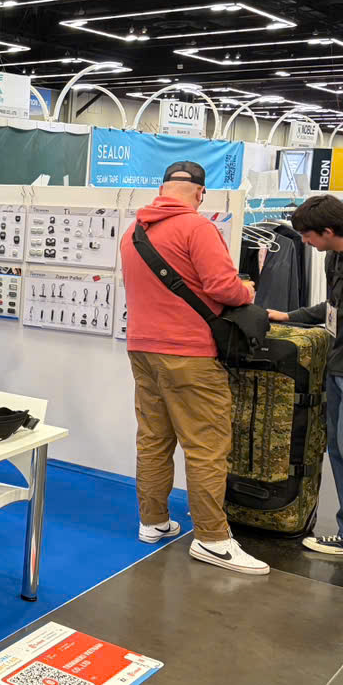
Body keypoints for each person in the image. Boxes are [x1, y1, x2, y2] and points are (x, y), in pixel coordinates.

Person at [121, 161, 268, 575]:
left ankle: (153, 521)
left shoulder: (133, 232)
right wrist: (247, 290)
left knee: (153, 439)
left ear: (162, 189)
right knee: (206, 447)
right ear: (201, 194)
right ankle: (212, 539)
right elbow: (223, 287)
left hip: (142, 349)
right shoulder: (198, 227)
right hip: (189, 354)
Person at [268, 195, 343, 555]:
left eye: (308, 236)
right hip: (336, 365)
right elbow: (333, 308)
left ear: (327, 231)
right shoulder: (332, 257)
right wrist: (289, 317)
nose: (304, 242)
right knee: (337, 449)